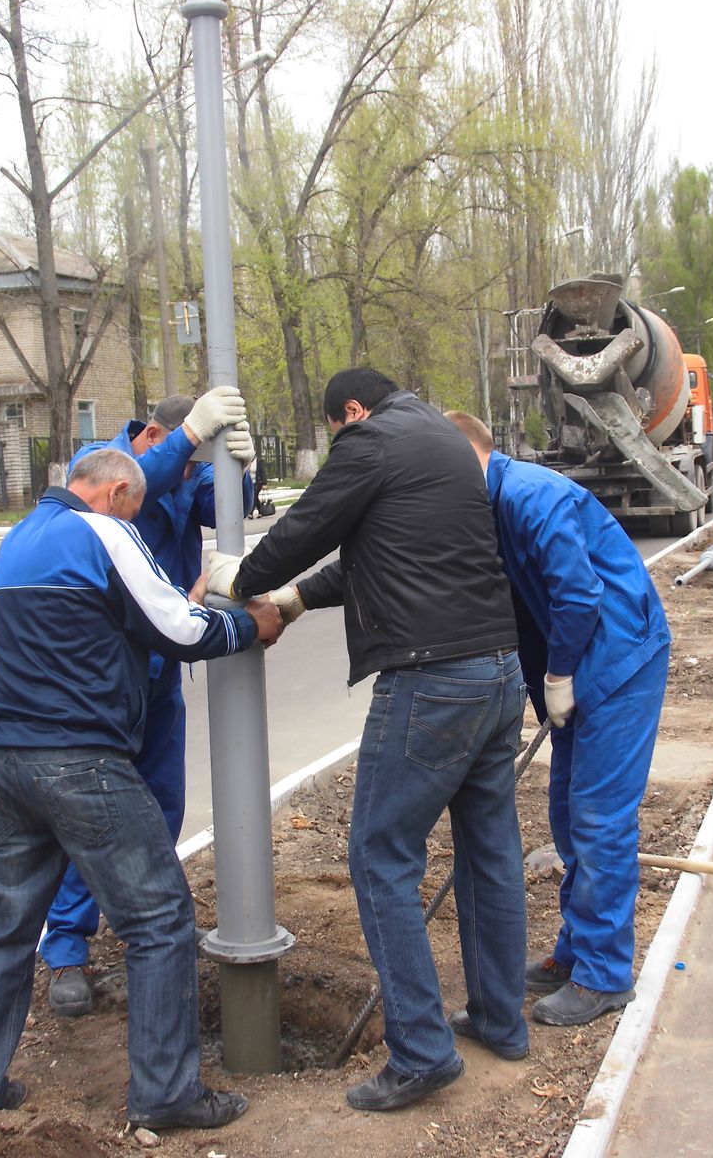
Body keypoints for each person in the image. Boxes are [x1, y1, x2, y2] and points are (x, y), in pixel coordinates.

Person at [205, 368, 528, 1111]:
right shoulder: (443, 441)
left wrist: (244, 578)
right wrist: (296, 598)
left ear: (352, 412)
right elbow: (379, 553)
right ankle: (499, 1020)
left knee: (379, 858)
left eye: (335, 428)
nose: (337, 441)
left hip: (431, 682)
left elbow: (303, 531)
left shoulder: (370, 443)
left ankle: (419, 1053)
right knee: (490, 851)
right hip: (497, 673)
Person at [0, 448, 282, 1129]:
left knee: (4, 929)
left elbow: (89, 625)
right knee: (159, 920)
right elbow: (179, 632)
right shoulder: (103, 531)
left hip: (4, 758)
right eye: (136, 506)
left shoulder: (23, 537)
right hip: (79, 760)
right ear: (119, 490)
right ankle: (166, 1095)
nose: (140, 517)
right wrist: (251, 626)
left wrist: (167, 607)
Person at [446, 411, 671, 1027]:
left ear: (468, 453)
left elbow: (577, 595)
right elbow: (522, 610)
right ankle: (576, 951)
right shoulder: (490, 506)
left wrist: (560, 675)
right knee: (567, 811)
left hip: (621, 659)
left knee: (600, 818)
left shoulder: (530, 496)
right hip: (582, 662)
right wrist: (538, 690)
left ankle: (604, 976)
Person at [41, 388, 256, 1017]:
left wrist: (241, 468)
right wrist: (192, 440)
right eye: (186, 453)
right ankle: (66, 952)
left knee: (162, 801)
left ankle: (155, 927)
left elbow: (232, 510)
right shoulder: (101, 462)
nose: (192, 473)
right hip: (108, 675)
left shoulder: (187, 464)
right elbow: (142, 487)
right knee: (89, 813)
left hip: (163, 669)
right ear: (157, 436)